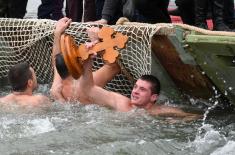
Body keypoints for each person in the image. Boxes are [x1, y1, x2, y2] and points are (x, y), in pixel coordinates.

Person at [78, 50, 201, 119]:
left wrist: (177, 122)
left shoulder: (162, 111)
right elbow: (88, 89)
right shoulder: (122, 103)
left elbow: (194, 117)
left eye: (142, 89)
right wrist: (88, 62)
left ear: (153, 97)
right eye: (135, 87)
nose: (135, 91)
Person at [50, 17, 120, 103]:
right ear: (76, 63)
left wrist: (57, 33)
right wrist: (97, 41)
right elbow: (113, 67)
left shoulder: (57, 85)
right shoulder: (87, 83)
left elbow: (56, 59)